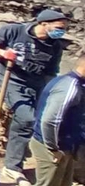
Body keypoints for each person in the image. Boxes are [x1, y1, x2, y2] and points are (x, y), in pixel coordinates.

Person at [0, 9, 71, 183]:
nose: (61, 31)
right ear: (43, 23)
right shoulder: (15, 31)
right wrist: (4, 53)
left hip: (38, 84)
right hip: (12, 80)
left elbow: (51, 72)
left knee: (42, 120)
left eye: (64, 28)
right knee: (26, 118)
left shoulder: (55, 45)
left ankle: (32, 159)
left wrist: (50, 93)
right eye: (59, 27)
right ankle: (12, 166)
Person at [30, 55, 85, 186]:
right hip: (52, 148)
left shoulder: (76, 84)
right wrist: (53, 149)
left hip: (66, 146)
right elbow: (50, 121)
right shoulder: (69, 87)